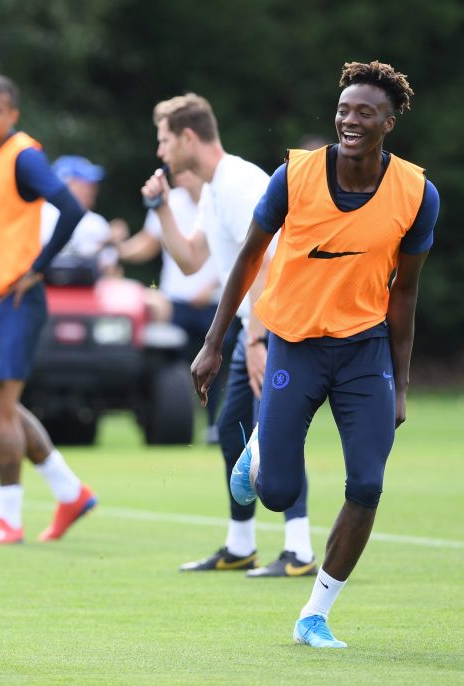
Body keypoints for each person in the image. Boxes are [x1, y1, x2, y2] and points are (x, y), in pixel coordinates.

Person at [191, 61, 439, 647]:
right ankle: (258, 452)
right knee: (274, 491)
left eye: (365, 113)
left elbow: (404, 292)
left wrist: (400, 383)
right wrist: (213, 343)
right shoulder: (293, 176)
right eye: (344, 110)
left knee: (368, 485)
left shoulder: (417, 194)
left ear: (390, 122)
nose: (350, 121)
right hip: (295, 345)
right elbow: (248, 259)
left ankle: (315, 613)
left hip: (365, 352)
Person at [139, 94, 317, 577]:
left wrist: (260, 341)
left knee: (275, 438)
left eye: (164, 139)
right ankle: (240, 545)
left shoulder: (238, 182)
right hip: (250, 330)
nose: (161, 151)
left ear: (188, 138)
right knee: (230, 434)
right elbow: (192, 259)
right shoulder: (214, 189)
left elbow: (267, 262)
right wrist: (159, 208)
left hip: (274, 329)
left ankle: (299, 551)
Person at [0, 74, 97, 545]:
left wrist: (38, 267)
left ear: (12, 115)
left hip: (15, 300)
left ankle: (8, 519)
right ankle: (70, 492)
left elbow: (70, 209)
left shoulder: (23, 155)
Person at [112, 169, 228, 440]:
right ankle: (181, 419)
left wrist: (212, 285)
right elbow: (148, 243)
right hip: (175, 301)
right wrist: (118, 249)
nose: (181, 177)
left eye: (188, 172)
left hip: (214, 302)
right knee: (177, 367)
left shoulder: (218, 199)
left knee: (216, 367)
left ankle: (213, 424)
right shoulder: (170, 202)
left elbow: (233, 250)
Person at [40, 155, 119, 277]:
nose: (92, 189)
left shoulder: (96, 222)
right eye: (85, 184)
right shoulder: (42, 213)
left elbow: (111, 271)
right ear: (65, 184)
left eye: (93, 184)